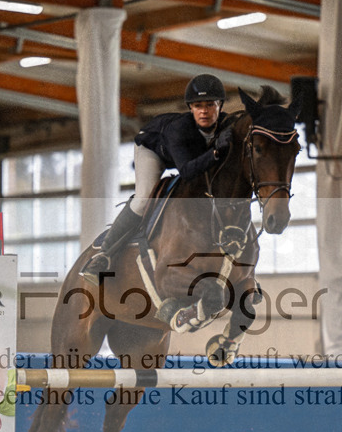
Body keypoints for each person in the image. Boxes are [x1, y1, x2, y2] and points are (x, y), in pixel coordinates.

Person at [80, 73, 234, 284]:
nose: (204, 111)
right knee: (144, 198)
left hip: (184, 156)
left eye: (210, 105)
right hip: (153, 150)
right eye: (198, 106)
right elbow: (188, 172)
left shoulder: (227, 125)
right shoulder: (179, 130)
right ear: (191, 108)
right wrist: (215, 153)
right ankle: (104, 254)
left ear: (220, 106)